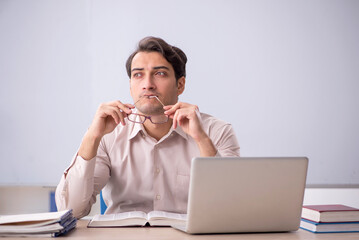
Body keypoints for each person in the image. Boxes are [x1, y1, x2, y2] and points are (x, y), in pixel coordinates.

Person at [55, 37, 240, 218]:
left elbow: (231, 208)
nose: (147, 84)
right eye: (138, 75)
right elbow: (71, 210)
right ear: (130, 86)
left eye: (159, 73)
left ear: (180, 84)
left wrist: (201, 139)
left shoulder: (217, 132)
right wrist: (91, 138)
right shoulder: (108, 133)